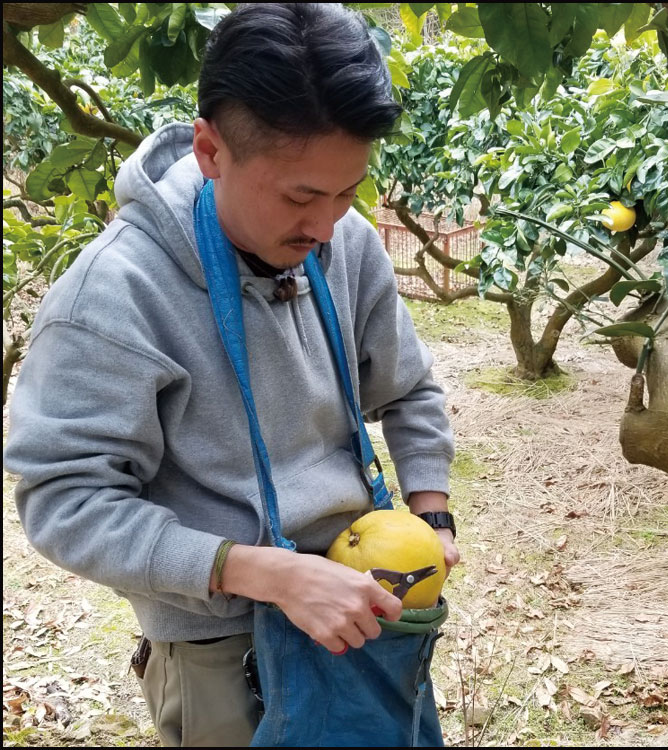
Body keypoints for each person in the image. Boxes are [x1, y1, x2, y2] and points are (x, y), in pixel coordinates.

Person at [4, 3, 459, 746]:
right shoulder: (113, 299)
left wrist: (431, 511)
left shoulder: (342, 242)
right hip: (223, 646)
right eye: (302, 197)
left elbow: (408, 390)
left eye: (347, 191)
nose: (327, 226)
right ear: (212, 152)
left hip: (363, 607)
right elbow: (65, 503)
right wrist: (270, 574)